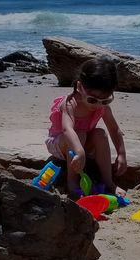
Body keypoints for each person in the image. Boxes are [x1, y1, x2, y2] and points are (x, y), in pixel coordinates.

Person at [45, 56, 127, 199]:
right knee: (79, 134)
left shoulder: (102, 106)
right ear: (79, 87)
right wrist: (79, 151)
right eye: (92, 99)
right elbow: (67, 129)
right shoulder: (70, 104)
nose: (98, 105)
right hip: (60, 144)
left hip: (82, 145)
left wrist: (121, 154)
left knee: (100, 134)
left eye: (106, 100)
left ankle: (108, 181)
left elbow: (114, 130)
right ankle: (72, 180)